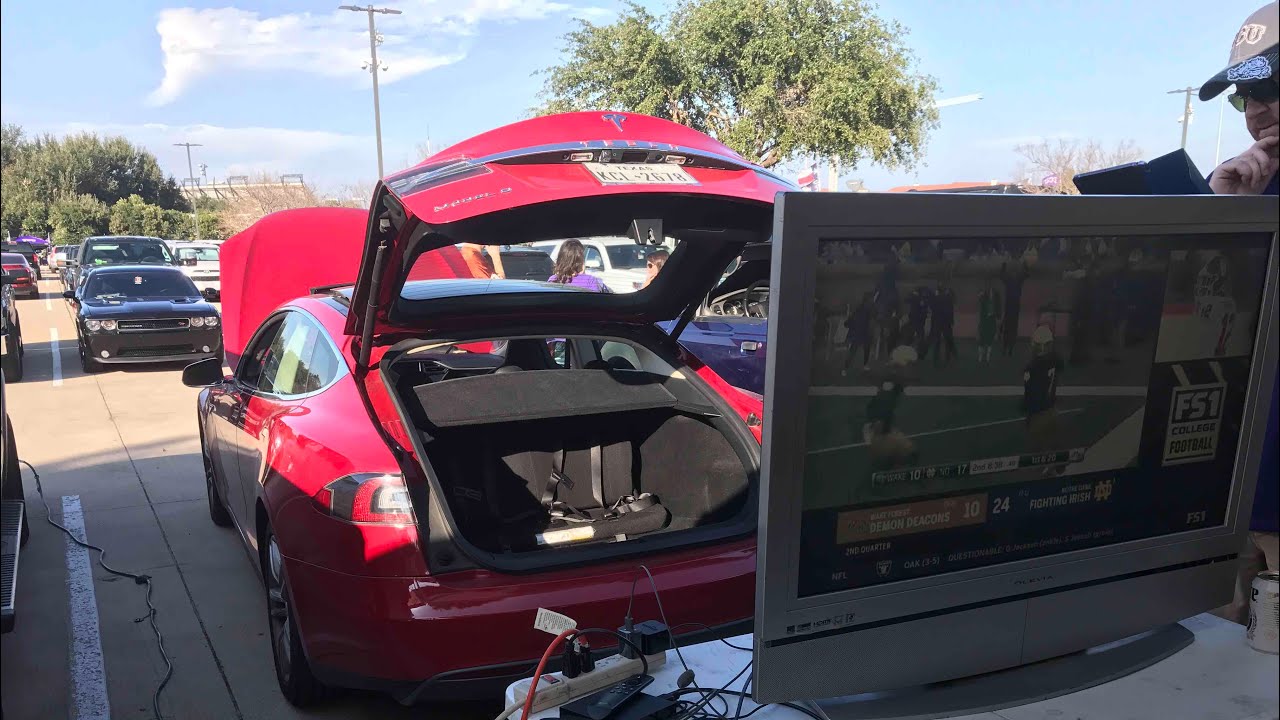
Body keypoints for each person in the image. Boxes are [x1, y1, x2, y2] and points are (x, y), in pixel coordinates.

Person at [1199, 2, 1279, 624]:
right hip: (1233, 496)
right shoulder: (1249, 182)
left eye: (1271, 87)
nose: (1255, 112)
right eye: (1243, 97)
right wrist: (1225, 215)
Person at [1200, 2, 1279, 197]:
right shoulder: (1228, 181)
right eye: (1241, 98)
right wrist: (1223, 211)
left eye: (1264, 89)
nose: (1252, 112)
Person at [999, 259, 1028, 356]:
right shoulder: (1011, 280)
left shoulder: (1015, 280)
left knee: (1011, 329)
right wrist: (1003, 266)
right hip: (1011, 307)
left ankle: (1009, 348)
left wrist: (1025, 266)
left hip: (1013, 307)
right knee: (1009, 329)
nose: (1014, 273)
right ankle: (1006, 348)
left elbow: (1025, 275)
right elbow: (1002, 275)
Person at [841, 293, 874, 376]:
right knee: (854, 351)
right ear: (867, 301)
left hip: (861, 333)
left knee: (863, 349)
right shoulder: (864, 309)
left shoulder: (864, 308)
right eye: (871, 300)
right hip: (859, 333)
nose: (872, 301)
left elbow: (850, 321)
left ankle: (847, 368)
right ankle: (846, 368)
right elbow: (854, 320)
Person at [927, 280, 957, 367]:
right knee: (948, 340)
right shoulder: (947, 298)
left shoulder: (936, 298)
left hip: (938, 322)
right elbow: (951, 310)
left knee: (937, 341)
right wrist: (951, 321)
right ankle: (948, 357)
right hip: (946, 322)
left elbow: (931, 308)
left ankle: (936, 358)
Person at [976, 279, 1001, 364]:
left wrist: (997, 319)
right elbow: (980, 307)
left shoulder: (996, 297)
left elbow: (998, 310)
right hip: (984, 322)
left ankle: (987, 357)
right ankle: (980, 357)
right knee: (981, 341)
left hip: (991, 322)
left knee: (990, 341)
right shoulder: (983, 297)